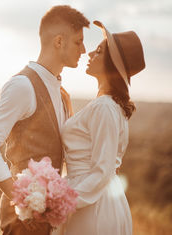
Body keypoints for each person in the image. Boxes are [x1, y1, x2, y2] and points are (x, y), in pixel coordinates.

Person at [0, 5, 89, 235]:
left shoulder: (61, 92)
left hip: (49, 220)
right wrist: (23, 199)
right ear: (59, 41)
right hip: (22, 222)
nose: (84, 50)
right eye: (78, 42)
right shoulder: (23, 86)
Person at [53, 20, 145, 235]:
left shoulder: (104, 107)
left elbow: (102, 170)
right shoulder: (106, 104)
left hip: (92, 206)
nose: (90, 52)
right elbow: (88, 145)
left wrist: (61, 203)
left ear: (112, 63)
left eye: (100, 50)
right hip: (93, 199)